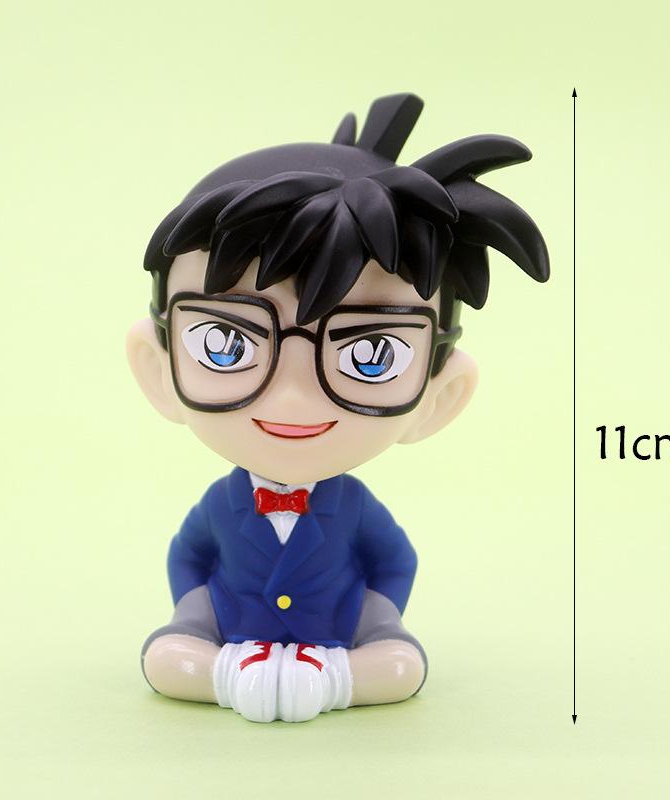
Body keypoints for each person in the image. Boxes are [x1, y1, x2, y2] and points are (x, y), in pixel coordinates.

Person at [126, 93, 549, 722]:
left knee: (400, 666)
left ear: (440, 395)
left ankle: (336, 679)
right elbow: (187, 556)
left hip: (337, 631)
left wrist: (375, 618)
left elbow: (395, 561)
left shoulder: (353, 509)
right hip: (231, 626)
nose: (293, 395)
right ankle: (226, 673)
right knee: (166, 658)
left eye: (371, 354)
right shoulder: (222, 506)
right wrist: (197, 614)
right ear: (157, 368)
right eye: (226, 342)